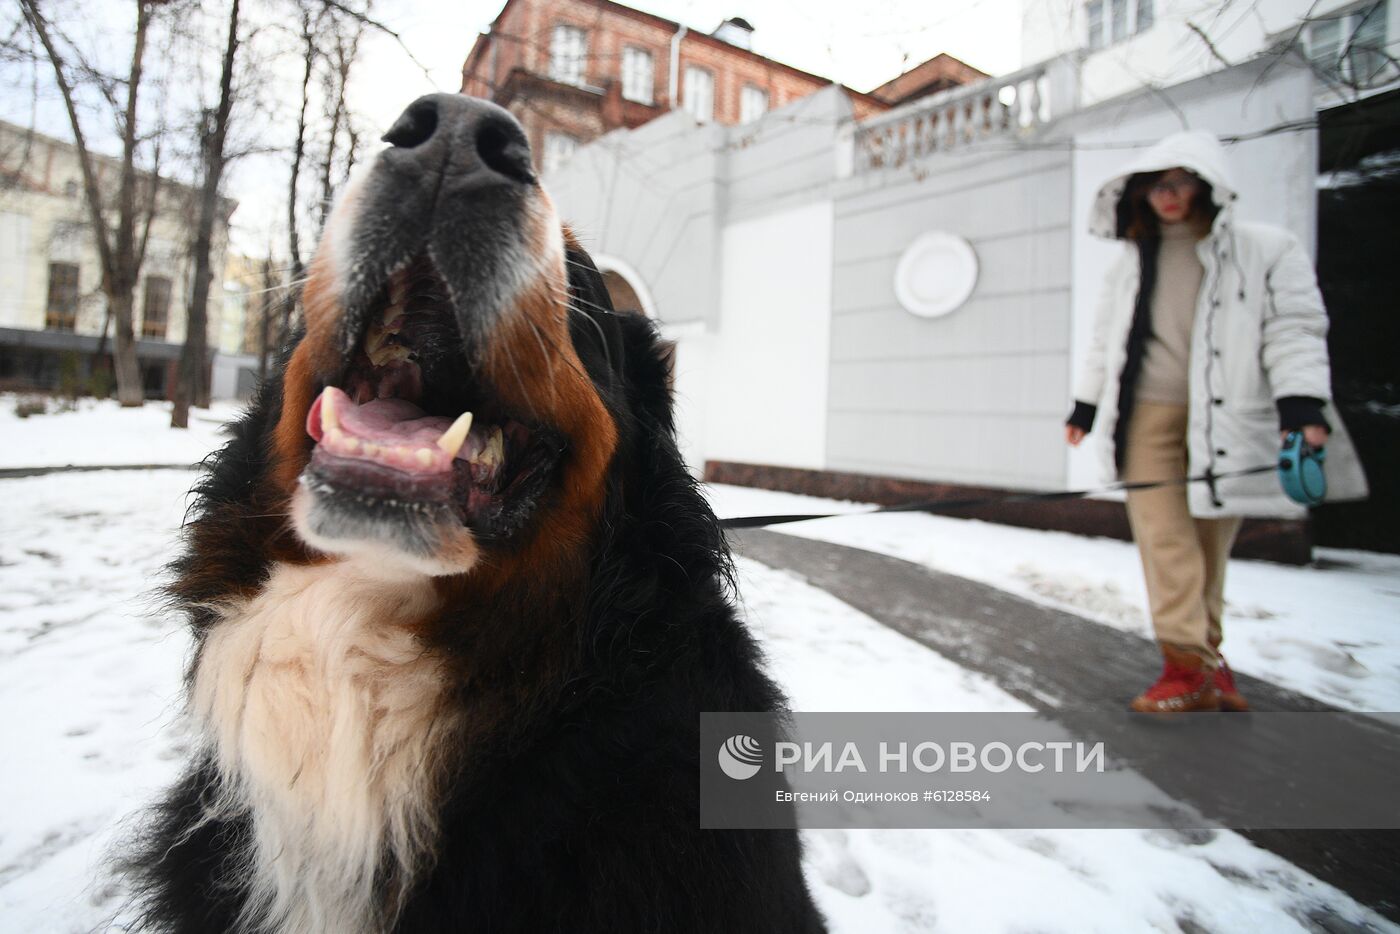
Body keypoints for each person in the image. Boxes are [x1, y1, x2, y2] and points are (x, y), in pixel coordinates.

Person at [1065, 130, 1368, 714]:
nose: (1167, 196)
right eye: (1155, 186)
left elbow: (1295, 329)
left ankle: (1206, 666)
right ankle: (1186, 665)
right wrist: (1086, 404)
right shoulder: (1129, 264)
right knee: (1165, 537)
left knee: (1207, 543)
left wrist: (1301, 404)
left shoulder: (1265, 249)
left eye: (1178, 183)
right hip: (1144, 416)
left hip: (1228, 414)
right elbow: (1106, 340)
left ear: (1206, 185)